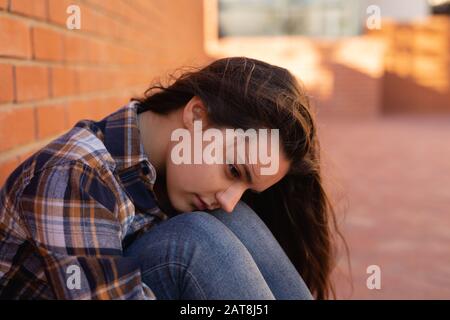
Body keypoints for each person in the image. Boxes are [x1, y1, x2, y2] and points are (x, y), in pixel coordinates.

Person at [0, 57, 343, 300]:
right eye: (234, 171)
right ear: (196, 116)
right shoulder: (76, 175)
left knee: (231, 219)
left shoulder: (160, 178)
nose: (228, 197)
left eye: (245, 188)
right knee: (195, 240)